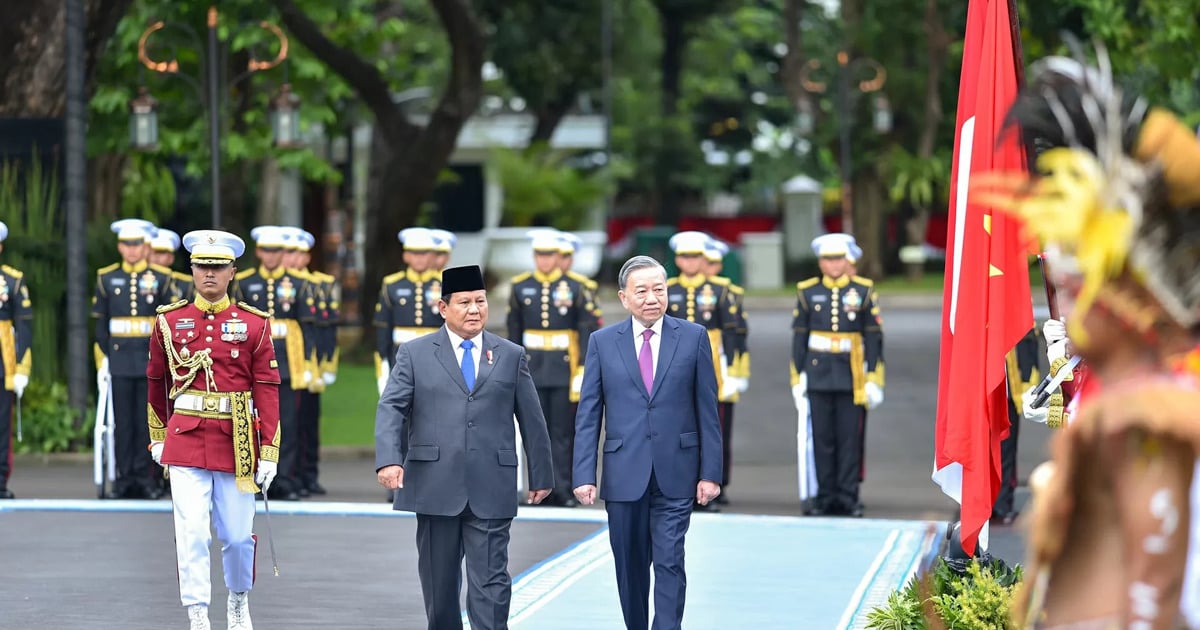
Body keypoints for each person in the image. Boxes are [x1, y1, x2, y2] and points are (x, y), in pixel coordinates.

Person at [972, 52, 1200, 628]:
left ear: (1126, 298)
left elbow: (1155, 592)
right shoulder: (1109, 393)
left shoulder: (1153, 415)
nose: (1063, 305)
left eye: (1076, 288)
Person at [376, 264, 553, 630]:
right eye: (464, 303)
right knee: (440, 591)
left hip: (492, 483)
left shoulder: (510, 354)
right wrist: (389, 460)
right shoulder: (415, 353)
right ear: (443, 308)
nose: (474, 310)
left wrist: (541, 474)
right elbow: (391, 407)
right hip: (435, 483)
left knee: (491, 584)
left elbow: (532, 419)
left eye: (480, 301)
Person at [573, 254, 723, 630]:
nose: (652, 298)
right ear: (624, 298)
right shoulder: (602, 343)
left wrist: (711, 473)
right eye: (641, 291)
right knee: (629, 564)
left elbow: (708, 411)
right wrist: (583, 474)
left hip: (677, 470)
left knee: (671, 559)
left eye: (659, 289)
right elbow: (589, 414)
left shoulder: (693, 337)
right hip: (624, 473)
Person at [147, 229, 280, 630]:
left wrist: (269, 449)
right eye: (202, 267)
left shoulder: (253, 325)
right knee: (191, 534)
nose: (209, 274)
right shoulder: (170, 321)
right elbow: (156, 381)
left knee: (238, 536)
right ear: (191, 270)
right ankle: (198, 612)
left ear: (232, 272)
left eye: (217, 267)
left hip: (237, 439)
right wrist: (157, 435)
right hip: (185, 437)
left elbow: (268, 388)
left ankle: (238, 600)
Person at [791, 233, 883, 517]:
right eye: (828, 259)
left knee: (848, 440)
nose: (833, 265)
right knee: (821, 439)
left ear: (848, 261)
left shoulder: (863, 290)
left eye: (839, 259)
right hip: (818, 373)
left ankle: (848, 497)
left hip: (851, 374)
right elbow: (799, 337)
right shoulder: (807, 292)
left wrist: (873, 377)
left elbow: (873, 337)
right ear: (820, 262)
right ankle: (824, 496)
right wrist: (798, 376)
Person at [506, 229, 597, 507]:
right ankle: (538, 488)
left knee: (561, 432)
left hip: (563, 366)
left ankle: (564, 488)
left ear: (559, 257)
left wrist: (583, 366)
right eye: (540, 255)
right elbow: (514, 330)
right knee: (534, 430)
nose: (545, 261)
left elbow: (586, 329)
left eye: (550, 255)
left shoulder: (576, 286)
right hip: (531, 365)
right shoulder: (521, 286)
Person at [232, 225, 316, 501]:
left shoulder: (299, 283)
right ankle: (257, 477)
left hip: (287, 362)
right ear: (258, 252)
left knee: (288, 424)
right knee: (256, 422)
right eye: (266, 250)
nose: (271, 256)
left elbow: (307, 326)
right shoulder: (244, 281)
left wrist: (308, 365)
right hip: (256, 362)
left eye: (276, 250)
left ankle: (287, 480)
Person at [92, 218, 174, 499]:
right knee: (123, 423)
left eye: (137, 244)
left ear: (145, 246)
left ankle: (146, 478)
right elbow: (100, 324)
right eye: (127, 244)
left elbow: (166, 323)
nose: (132, 250)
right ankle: (124, 478)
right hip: (119, 359)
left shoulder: (161, 278)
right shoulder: (106, 277)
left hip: (150, 359)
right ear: (119, 246)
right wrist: (104, 358)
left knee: (148, 422)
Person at [665, 230, 738, 512]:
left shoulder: (721, 290)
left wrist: (734, 370)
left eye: (695, 256)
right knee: (678, 428)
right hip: (675, 366)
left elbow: (733, 333)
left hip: (713, 366)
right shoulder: (669, 289)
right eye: (685, 256)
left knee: (711, 427)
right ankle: (681, 485)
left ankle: (711, 487)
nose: (690, 261)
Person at [282, 226, 337, 496]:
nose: (293, 258)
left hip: (309, 361)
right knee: (290, 421)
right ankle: (292, 474)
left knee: (307, 422)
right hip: (287, 361)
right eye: (288, 252)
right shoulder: (282, 285)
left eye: (298, 253)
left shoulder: (319, 284)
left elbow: (324, 328)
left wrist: (325, 364)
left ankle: (307, 473)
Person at [701, 236, 746, 504]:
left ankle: (718, 482)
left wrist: (737, 372)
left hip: (719, 367)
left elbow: (738, 336)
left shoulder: (727, 293)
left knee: (718, 429)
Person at [374, 227, 443, 395]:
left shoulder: (444, 283)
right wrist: (383, 357)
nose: (419, 258)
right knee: (403, 399)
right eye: (414, 253)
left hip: (436, 352)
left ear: (432, 256)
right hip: (401, 353)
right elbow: (384, 324)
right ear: (405, 256)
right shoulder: (392, 284)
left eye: (424, 253)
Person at [993, 327, 1039, 526]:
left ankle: (1002, 503)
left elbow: (1028, 347)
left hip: (1011, 388)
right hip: (991, 386)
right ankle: (987, 502)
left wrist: (1029, 386)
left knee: (1006, 450)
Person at [0, 222, 31, 499]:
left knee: (1, 425)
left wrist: (21, 366)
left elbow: (23, 326)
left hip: (2, 361)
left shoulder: (11, 280)